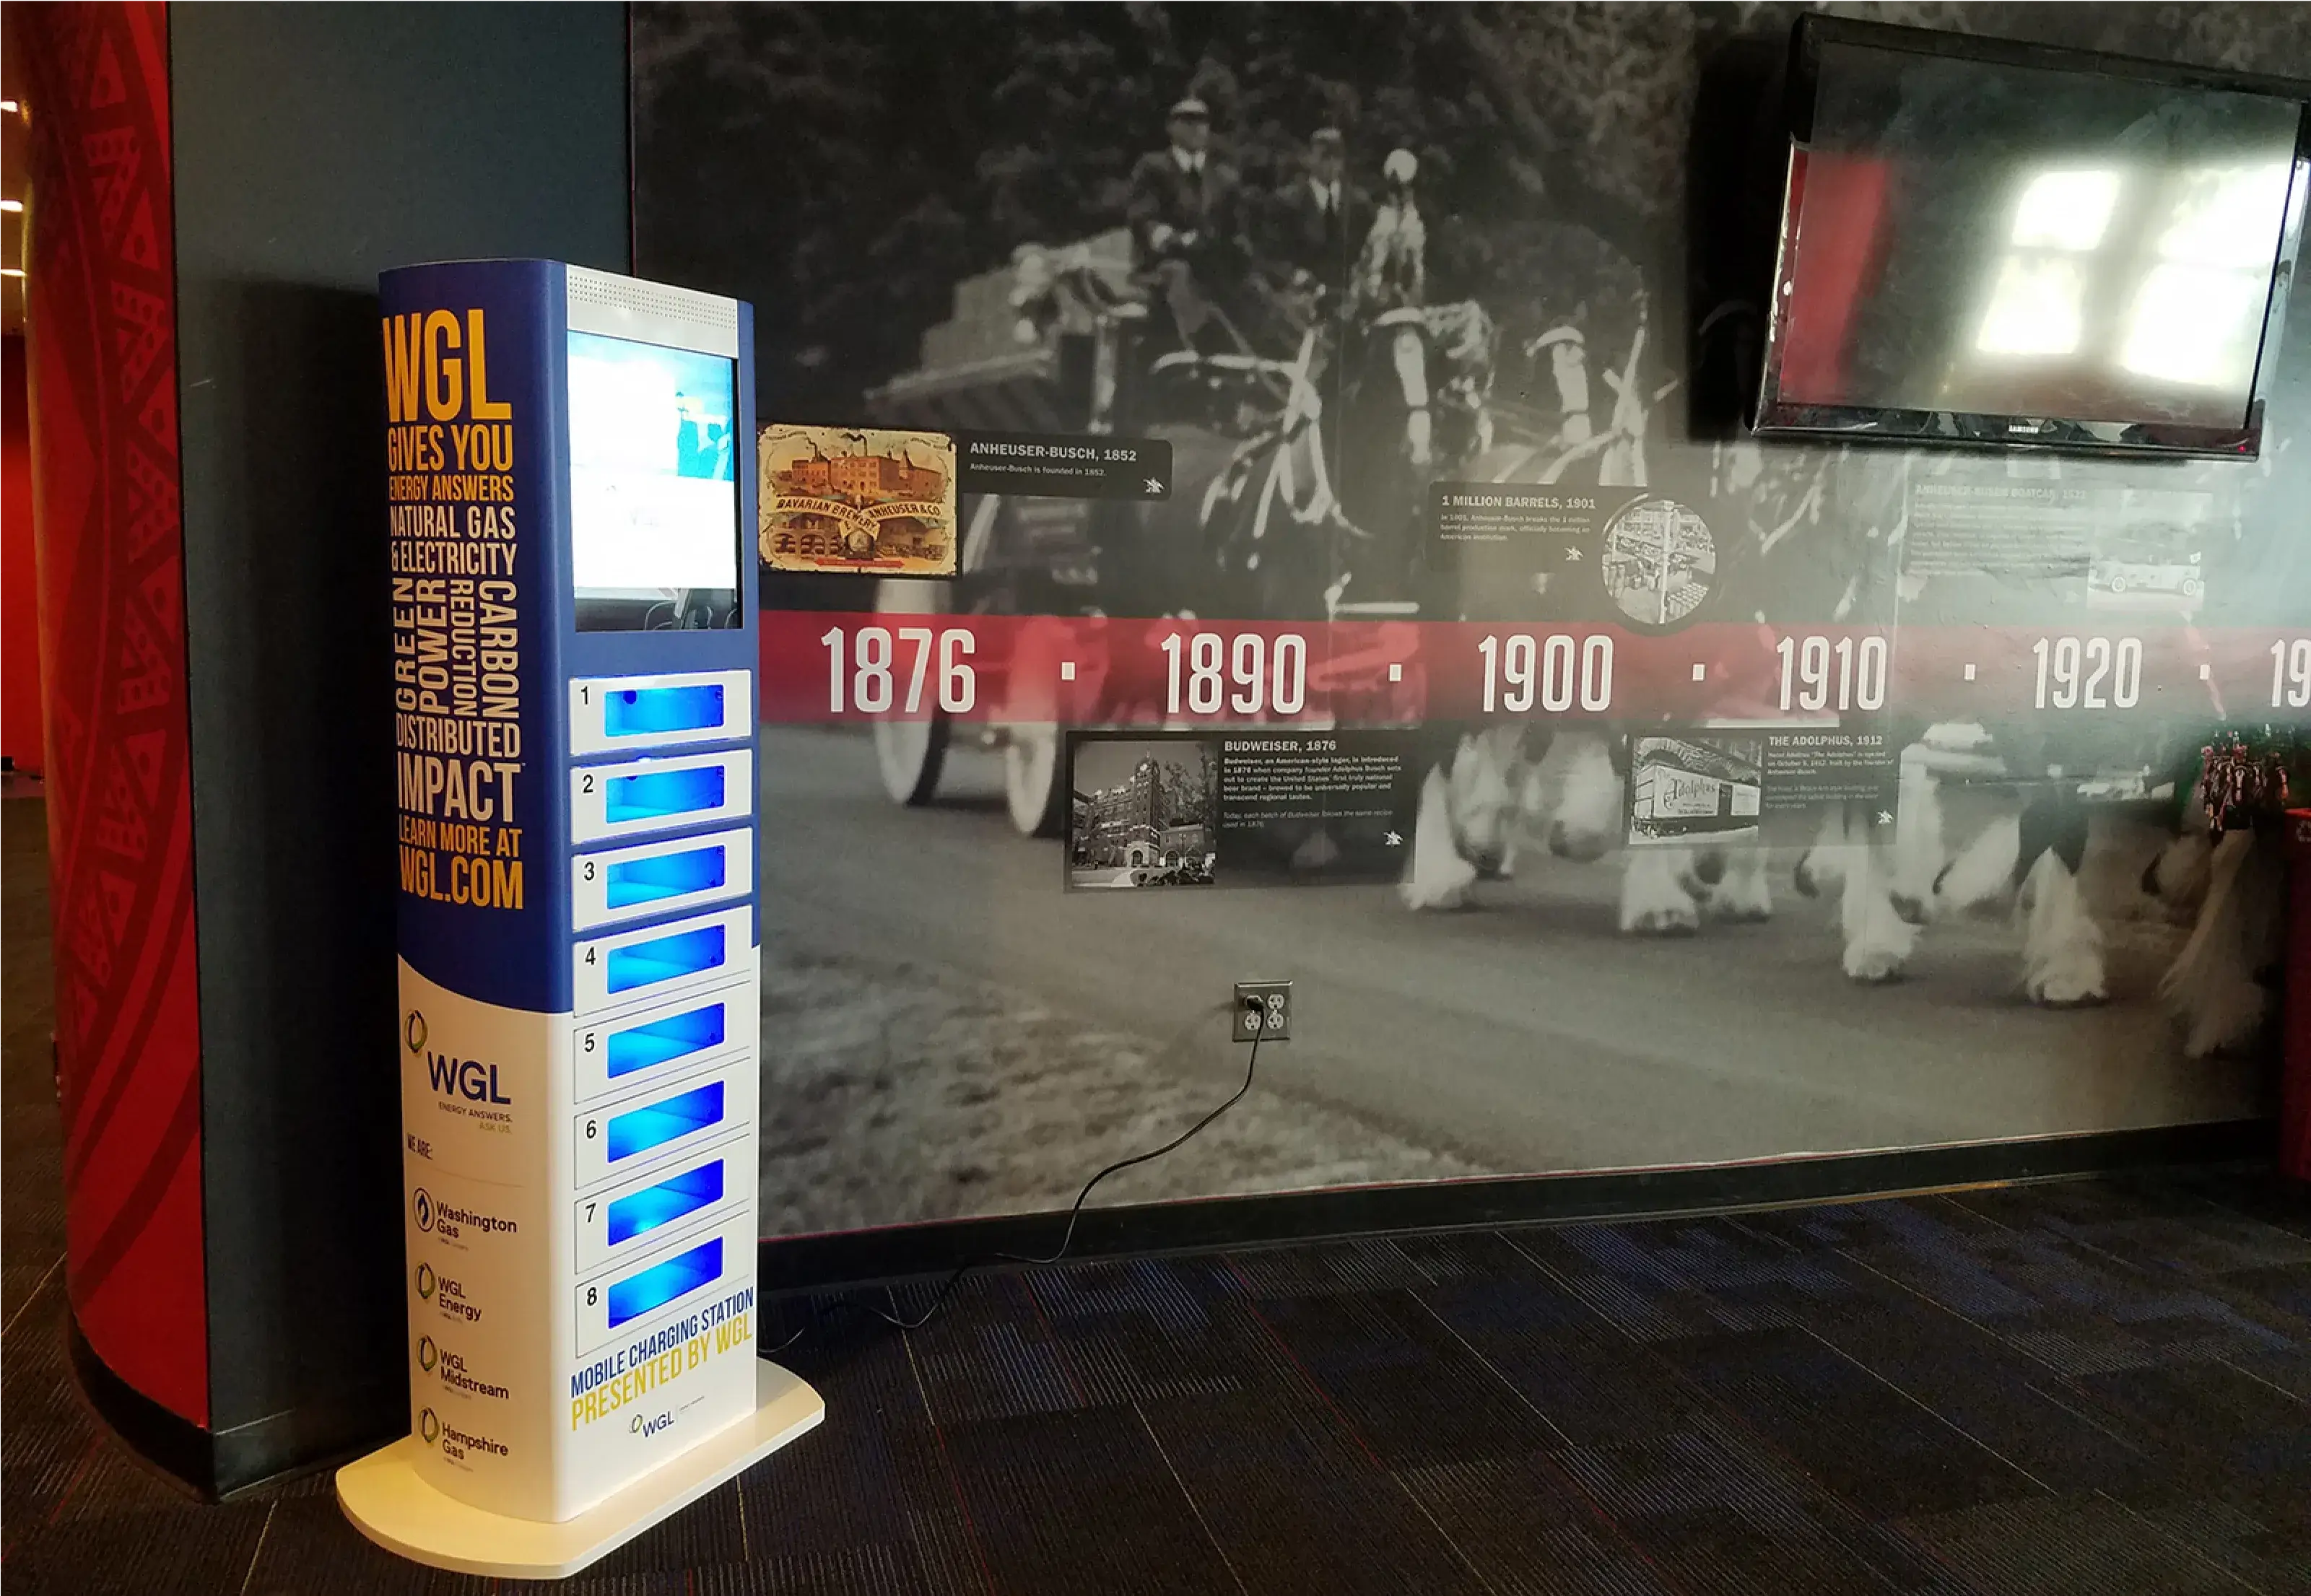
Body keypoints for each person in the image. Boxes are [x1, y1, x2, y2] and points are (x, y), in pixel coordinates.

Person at [1126, 97, 1248, 353]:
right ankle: (1199, 341)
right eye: (1188, 121)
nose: (1196, 128)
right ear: (1171, 127)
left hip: (1212, 261)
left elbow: (1236, 229)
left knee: (1251, 282)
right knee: (1178, 273)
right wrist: (1169, 237)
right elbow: (1143, 217)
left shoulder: (1224, 178)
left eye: (1202, 121)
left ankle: (1267, 351)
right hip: (1162, 263)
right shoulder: (1153, 168)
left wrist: (1237, 250)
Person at [1270, 128, 1362, 295]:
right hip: (1302, 296)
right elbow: (1273, 256)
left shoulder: (1358, 203)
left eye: (1337, 157)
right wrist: (1293, 275)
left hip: (1350, 297)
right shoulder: (1288, 203)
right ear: (1310, 158)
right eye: (1325, 157)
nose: (1331, 164)